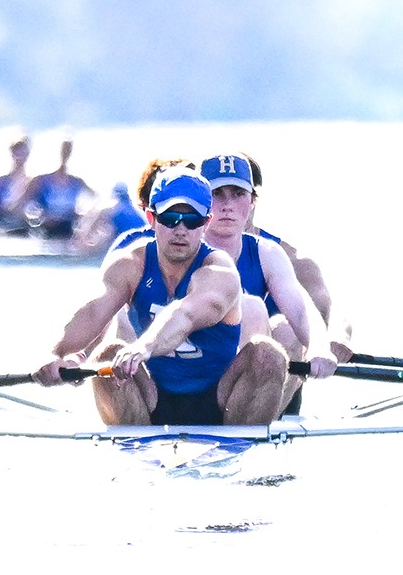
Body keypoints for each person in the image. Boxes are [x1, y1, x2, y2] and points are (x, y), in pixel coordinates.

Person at [32, 169, 298, 426]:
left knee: (267, 353)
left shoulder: (220, 271)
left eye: (192, 220)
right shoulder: (128, 265)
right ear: (151, 218)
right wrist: (54, 354)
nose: (180, 229)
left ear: (206, 223)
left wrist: (143, 346)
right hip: (152, 398)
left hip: (220, 400)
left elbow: (185, 314)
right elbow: (93, 313)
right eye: (170, 218)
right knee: (108, 353)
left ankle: (243, 446)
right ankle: (135, 447)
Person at [198, 151, 340, 380]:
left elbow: (305, 309)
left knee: (279, 326)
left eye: (238, 194)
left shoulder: (271, 252)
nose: (227, 205)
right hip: (188, 375)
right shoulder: (176, 248)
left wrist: (321, 346)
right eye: (217, 194)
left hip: (255, 378)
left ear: (253, 200)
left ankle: (258, 408)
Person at [19, 134, 95, 240]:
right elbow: (22, 204)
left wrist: (84, 216)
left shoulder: (76, 182)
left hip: (68, 229)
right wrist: (37, 219)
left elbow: (97, 200)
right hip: (46, 230)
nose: (65, 154)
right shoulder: (41, 181)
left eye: (68, 150)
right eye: (63, 150)